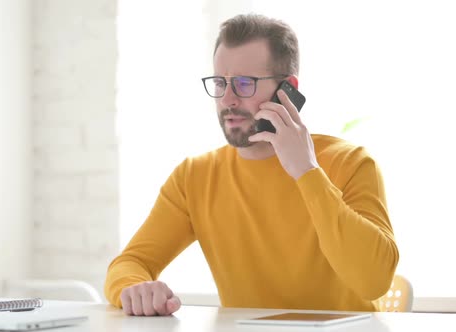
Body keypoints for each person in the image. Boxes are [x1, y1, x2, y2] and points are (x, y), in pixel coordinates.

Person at [104, 13, 399, 316]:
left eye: (244, 84)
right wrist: (135, 289)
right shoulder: (195, 177)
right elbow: (131, 263)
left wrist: (306, 172)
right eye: (220, 82)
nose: (227, 99)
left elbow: (373, 281)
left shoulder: (350, 164)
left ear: (288, 89)